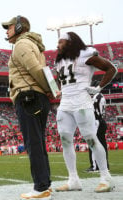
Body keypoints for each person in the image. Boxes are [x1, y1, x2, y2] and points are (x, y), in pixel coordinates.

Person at [54, 32, 117, 193]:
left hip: (81, 102)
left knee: (90, 138)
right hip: (65, 103)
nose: (57, 45)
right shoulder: (60, 61)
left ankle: (106, 177)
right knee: (65, 140)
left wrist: (98, 87)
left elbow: (111, 68)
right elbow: (62, 81)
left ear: (70, 42)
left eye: (60, 42)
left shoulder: (85, 55)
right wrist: (59, 91)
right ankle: (73, 179)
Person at [2, 15, 52, 199]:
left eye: (9, 27)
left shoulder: (22, 45)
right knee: (38, 143)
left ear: (20, 27)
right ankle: (45, 184)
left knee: (33, 143)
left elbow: (36, 70)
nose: (7, 31)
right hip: (36, 97)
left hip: (29, 97)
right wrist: (49, 90)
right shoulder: (33, 45)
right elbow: (43, 71)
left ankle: (40, 187)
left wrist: (50, 90)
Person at [85, 81, 109, 172]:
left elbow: (92, 111)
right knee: (102, 145)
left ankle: (95, 166)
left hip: (96, 122)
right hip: (101, 121)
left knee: (93, 144)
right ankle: (105, 166)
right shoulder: (102, 96)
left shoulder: (95, 97)